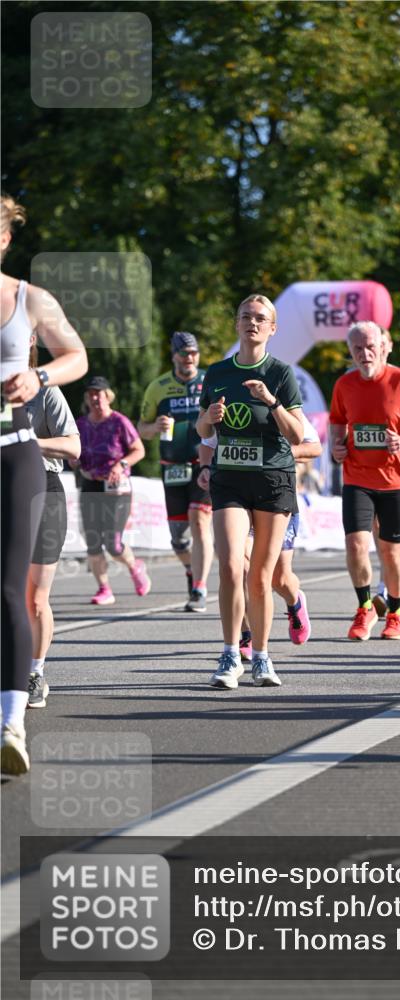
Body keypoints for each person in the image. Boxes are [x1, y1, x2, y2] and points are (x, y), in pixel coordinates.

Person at [1, 192, 87, 774]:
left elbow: (76, 355)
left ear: (4, 238)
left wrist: (38, 375)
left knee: (11, 589)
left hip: (14, 456)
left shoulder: (29, 299)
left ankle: (10, 724)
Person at [196, 293, 304, 690]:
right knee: (229, 567)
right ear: (237, 323)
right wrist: (208, 418)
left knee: (261, 576)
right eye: (246, 316)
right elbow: (202, 432)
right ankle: (229, 654)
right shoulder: (218, 372)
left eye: (261, 318)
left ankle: (261, 656)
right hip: (230, 478)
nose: (252, 323)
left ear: (272, 328)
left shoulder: (280, 373)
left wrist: (271, 402)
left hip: (273, 479)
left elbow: (298, 435)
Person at [198, 410, 321, 682]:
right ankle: (244, 637)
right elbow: (206, 444)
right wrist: (206, 468)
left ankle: (294, 600)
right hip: (237, 494)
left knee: (276, 578)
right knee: (238, 568)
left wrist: (276, 452)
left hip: (274, 494)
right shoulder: (226, 399)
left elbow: (314, 446)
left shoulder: (277, 402)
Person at [329, 321, 400, 641]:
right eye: (358, 348)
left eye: (371, 346)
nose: (365, 353)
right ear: (350, 352)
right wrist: (337, 445)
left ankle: (396, 613)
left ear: (385, 347)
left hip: (397, 479)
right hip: (357, 476)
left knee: (391, 553)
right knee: (357, 544)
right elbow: (337, 421)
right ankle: (365, 607)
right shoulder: (344, 385)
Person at [25, 333, 81, 709]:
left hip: (40, 493)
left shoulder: (44, 392)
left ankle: (35, 672)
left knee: (35, 598)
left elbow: (74, 447)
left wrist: (25, 441)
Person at [138, 331, 213, 611]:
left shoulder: (209, 381)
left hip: (202, 465)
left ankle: (199, 588)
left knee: (200, 519)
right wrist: (153, 427)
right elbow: (140, 428)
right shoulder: (158, 387)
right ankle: (192, 569)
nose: (190, 358)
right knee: (179, 540)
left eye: (194, 353)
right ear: (174, 356)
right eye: (184, 354)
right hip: (172, 468)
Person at [72, 376, 151, 603]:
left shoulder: (119, 422)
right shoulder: (80, 425)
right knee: (93, 541)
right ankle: (104, 589)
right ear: (87, 398)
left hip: (116, 487)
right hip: (90, 483)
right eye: (91, 394)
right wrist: (73, 459)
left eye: (100, 393)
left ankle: (134, 565)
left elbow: (139, 450)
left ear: (108, 396)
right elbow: (73, 451)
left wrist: (121, 464)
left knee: (113, 544)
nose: (96, 398)